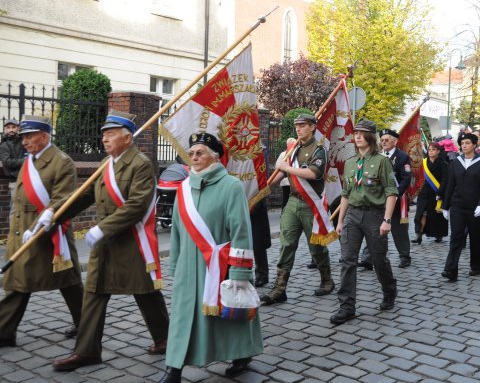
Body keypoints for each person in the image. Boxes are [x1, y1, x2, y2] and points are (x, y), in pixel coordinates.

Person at [52, 110, 169, 371]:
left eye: (111, 134)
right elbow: (83, 196)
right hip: (105, 246)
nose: (105, 139)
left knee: (146, 293)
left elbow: (137, 205)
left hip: (131, 243)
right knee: (94, 293)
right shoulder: (108, 164)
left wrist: (102, 228)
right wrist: (56, 212)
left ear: (127, 138)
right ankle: (87, 351)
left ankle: (165, 339)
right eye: (104, 134)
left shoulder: (140, 164)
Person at [158, 133, 263, 383]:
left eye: (200, 152)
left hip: (222, 265)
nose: (194, 157)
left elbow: (241, 231)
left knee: (230, 313)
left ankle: (242, 353)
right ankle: (173, 369)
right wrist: (175, 263)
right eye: (192, 153)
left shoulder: (231, 186)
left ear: (215, 156)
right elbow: (177, 228)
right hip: (188, 267)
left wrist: (239, 273)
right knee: (183, 316)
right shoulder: (183, 188)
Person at [0, 116, 83, 347]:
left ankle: (87, 323)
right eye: (23, 136)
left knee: (68, 281)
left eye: (29, 136)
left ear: (44, 136)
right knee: (19, 280)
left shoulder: (60, 161)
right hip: (21, 228)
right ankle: (4, 332)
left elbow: (63, 198)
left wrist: (44, 219)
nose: (24, 141)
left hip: (48, 232)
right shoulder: (30, 160)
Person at [330, 119, 398, 325]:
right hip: (353, 216)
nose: (357, 136)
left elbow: (391, 192)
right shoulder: (350, 163)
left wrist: (387, 220)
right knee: (347, 261)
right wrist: (340, 221)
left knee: (378, 260)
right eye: (355, 133)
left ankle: (389, 290)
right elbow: (345, 193)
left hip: (375, 216)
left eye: (362, 133)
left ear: (370, 136)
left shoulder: (382, 162)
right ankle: (346, 306)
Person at [262, 114, 335, 305]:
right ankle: (279, 288)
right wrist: (266, 188)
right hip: (293, 203)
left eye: (302, 125)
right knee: (286, 244)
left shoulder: (319, 150)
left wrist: (286, 167)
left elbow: (312, 173)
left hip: (310, 205)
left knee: (316, 247)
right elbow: (282, 172)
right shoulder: (293, 149)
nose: (298, 129)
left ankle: (327, 280)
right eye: (296, 126)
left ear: (312, 127)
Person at [440, 133, 480, 282]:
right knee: (456, 237)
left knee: (475, 237)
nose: (464, 145)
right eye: (462, 143)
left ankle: (476, 266)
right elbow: (451, 184)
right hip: (458, 205)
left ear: (475, 145)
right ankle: (450, 270)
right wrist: (445, 206)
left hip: (475, 207)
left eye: (468, 143)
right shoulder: (456, 162)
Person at [359, 128, 411, 269]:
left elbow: (406, 178)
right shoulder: (377, 156)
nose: (383, 142)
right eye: (381, 140)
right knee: (374, 228)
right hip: (378, 199)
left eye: (386, 140)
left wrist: (395, 194)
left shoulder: (402, 157)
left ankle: (404, 256)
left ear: (395, 141)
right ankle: (368, 259)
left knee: (399, 229)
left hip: (396, 199)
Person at [413, 141, 448, 244]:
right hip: (423, 193)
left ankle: (439, 234)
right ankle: (418, 234)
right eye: (430, 149)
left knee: (436, 215)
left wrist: (441, 192)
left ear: (438, 151)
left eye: (434, 150)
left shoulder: (443, 164)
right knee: (421, 213)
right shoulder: (423, 162)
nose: (431, 151)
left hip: (436, 193)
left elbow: (445, 179)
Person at [0, 118, 26, 202]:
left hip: (27, 178)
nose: (11, 130)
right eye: (8, 127)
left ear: (18, 128)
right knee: (15, 208)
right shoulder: (3, 145)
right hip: (15, 181)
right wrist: (25, 161)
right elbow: (7, 162)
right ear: (5, 130)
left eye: (13, 127)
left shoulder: (23, 140)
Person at [278, 137, 297, 212]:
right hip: (286, 181)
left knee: (291, 198)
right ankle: (284, 213)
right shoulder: (283, 154)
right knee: (286, 198)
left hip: (292, 181)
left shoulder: (296, 153)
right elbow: (277, 166)